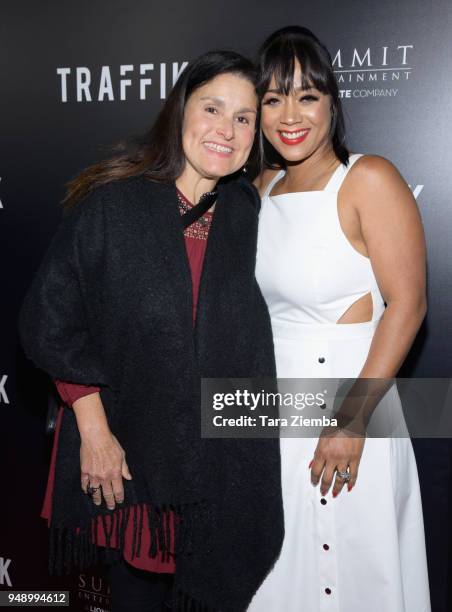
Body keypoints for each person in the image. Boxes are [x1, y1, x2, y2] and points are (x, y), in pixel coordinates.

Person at [18, 50, 284, 612]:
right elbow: (52, 319)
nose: (226, 130)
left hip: (214, 462)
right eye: (213, 108)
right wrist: (95, 434)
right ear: (180, 109)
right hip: (128, 453)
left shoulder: (243, 210)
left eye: (242, 118)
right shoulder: (115, 203)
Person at [249, 26, 431, 612]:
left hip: (352, 406)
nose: (289, 114)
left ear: (332, 101)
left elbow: (408, 305)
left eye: (307, 95)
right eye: (273, 98)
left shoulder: (367, 178)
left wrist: (352, 423)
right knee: (279, 574)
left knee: (354, 572)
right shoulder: (259, 188)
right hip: (271, 413)